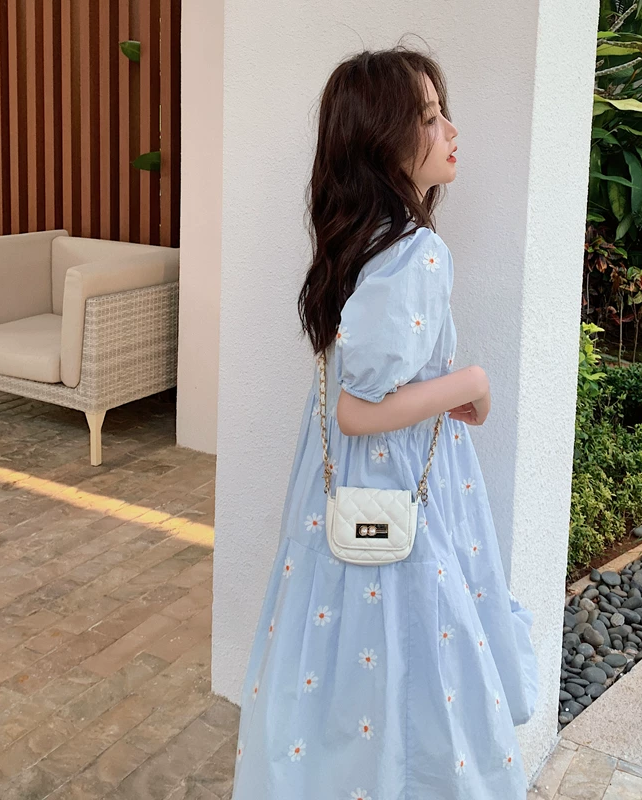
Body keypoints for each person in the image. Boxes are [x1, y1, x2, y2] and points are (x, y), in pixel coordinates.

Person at [231, 45, 539, 799]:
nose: (451, 131)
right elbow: (359, 409)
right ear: (383, 140)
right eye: (429, 118)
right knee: (417, 646)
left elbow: (357, 392)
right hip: (400, 488)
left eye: (442, 113)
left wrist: (442, 390)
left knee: (348, 650)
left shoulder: (365, 241)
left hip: (350, 492)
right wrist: (471, 384)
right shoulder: (417, 251)